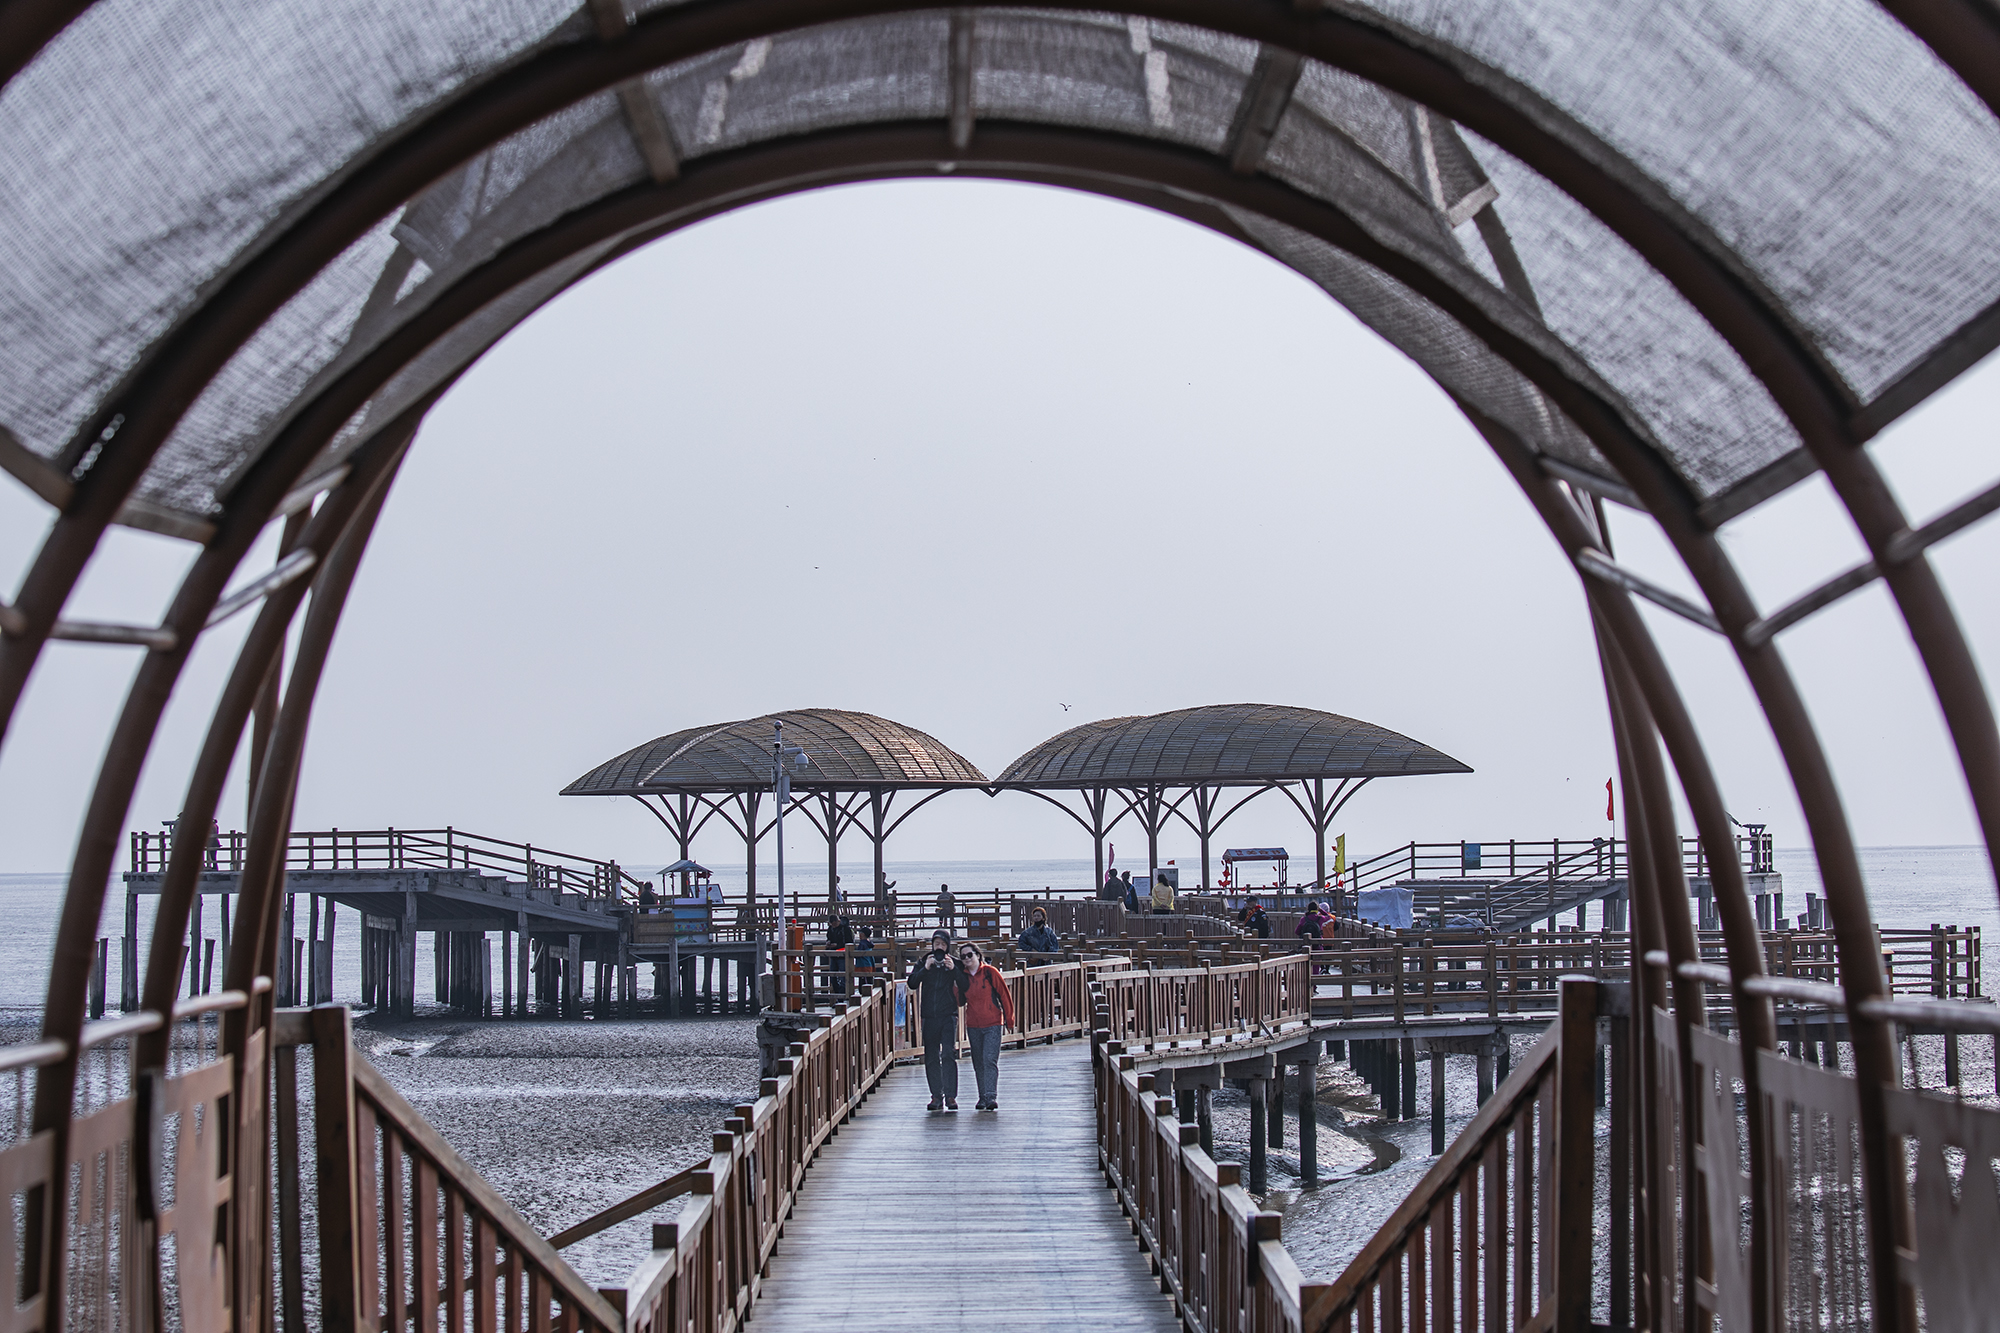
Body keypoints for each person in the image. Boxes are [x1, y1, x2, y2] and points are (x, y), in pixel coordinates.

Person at [906, 929, 969, 1111]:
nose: (939, 947)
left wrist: (954, 969)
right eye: (936, 944)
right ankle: (936, 1095)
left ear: (948, 946)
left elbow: (965, 985)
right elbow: (912, 983)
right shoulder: (924, 961)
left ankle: (950, 1096)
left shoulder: (954, 963)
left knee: (948, 1053)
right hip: (929, 1015)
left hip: (948, 1014)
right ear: (932, 945)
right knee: (931, 1056)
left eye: (942, 944)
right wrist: (925, 969)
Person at [957, 941, 1016, 1110]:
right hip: (973, 1025)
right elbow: (960, 1001)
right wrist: (955, 984)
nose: (967, 958)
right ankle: (982, 1097)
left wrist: (1010, 1020)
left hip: (993, 1023)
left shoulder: (990, 972)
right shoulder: (963, 976)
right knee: (978, 1062)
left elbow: (1004, 996)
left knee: (989, 1059)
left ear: (978, 955)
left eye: (970, 955)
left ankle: (991, 1096)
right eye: (963, 956)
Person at [826, 911, 854, 995]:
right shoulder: (830, 929)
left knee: (843, 977)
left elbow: (849, 942)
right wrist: (828, 942)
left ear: (838, 921)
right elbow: (828, 937)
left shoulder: (845, 929)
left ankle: (842, 996)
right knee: (832, 977)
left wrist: (837, 945)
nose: (833, 926)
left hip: (843, 955)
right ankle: (837, 995)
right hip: (833, 954)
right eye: (832, 924)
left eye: (835, 924)